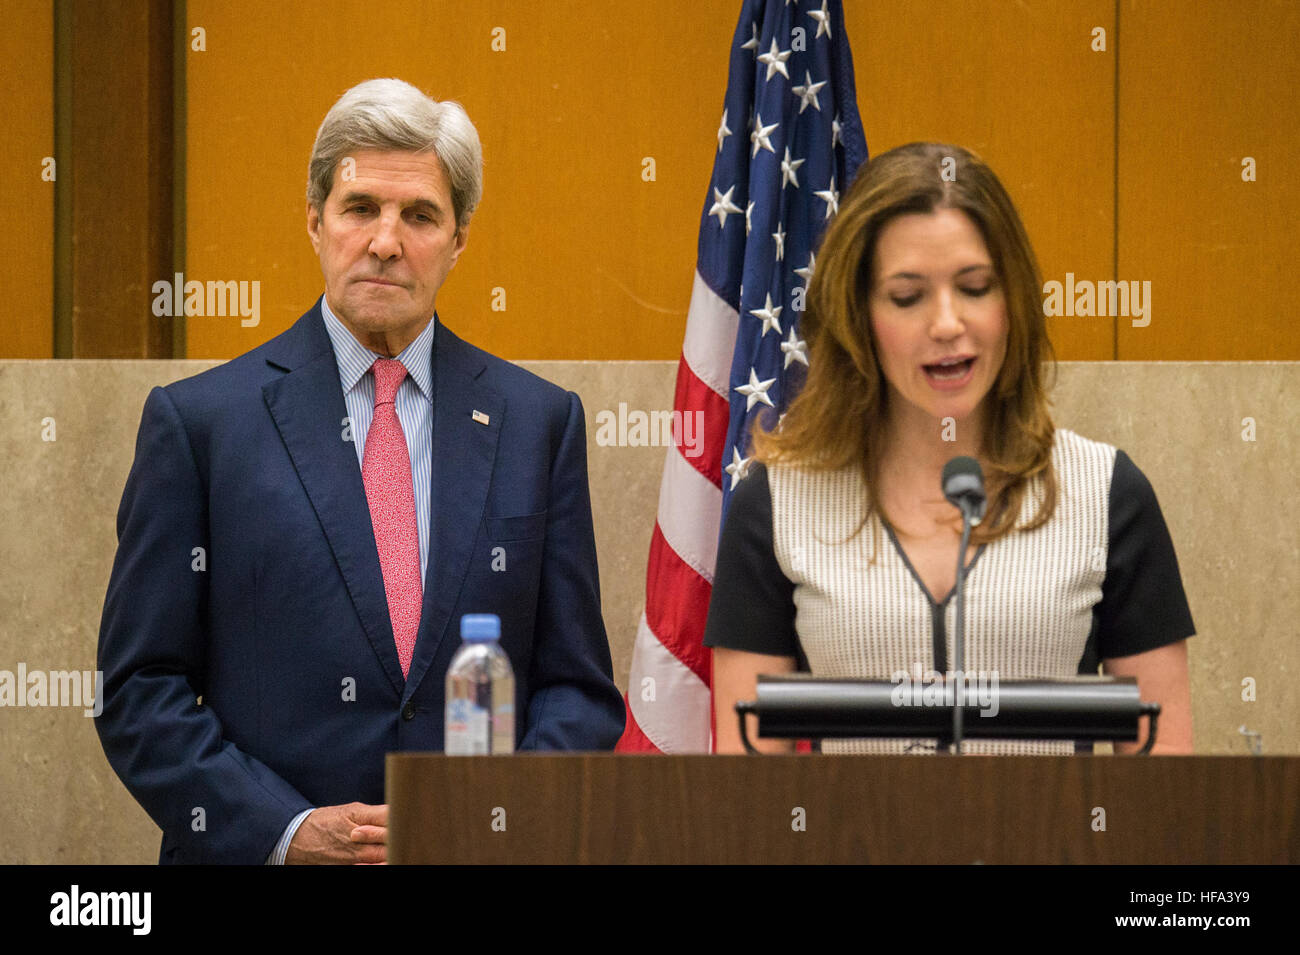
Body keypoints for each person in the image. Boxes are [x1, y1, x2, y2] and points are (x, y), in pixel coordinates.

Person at [95, 78, 624, 864]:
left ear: (460, 239)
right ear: (314, 221)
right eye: (360, 208)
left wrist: (488, 821)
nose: (385, 240)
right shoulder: (201, 423)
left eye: (419, 216)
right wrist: (285, 831)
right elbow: (139, 690)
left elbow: (576, 690)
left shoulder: (538, 423)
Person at [706, 142, 1194, 756]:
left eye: (975, 287)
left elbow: (1165, 790)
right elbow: (746, 797)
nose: (945, 324)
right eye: (907, 297)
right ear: (859, 316)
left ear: (1012, 302)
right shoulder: (775, 505)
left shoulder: (1106, 495)